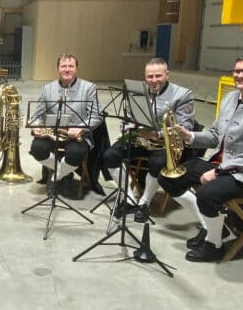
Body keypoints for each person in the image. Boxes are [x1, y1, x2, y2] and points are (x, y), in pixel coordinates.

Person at [159, 53, 243, 262]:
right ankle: (215, 228)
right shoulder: (231, 97)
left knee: (207, 194)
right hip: (221, 164)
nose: (240, 75)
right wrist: (190, 136)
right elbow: (215, 135)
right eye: (237, 71)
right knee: (169, 177)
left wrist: (220, 171)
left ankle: (214, 245)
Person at [101, 57, 196, 220]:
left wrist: (157, 134)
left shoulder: (183, 95)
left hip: (164, 144)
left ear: (167, 74)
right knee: (110, 156)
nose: (154, 81)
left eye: (158, 76)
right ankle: (129, 198)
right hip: (139, 139)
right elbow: (128, 116)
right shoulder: (137, 90)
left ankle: (144, 202)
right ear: (144, 76)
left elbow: (185, 126)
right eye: (149, 77)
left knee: (157, 163)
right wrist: (128, 127)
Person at [28, 54, 101, 197]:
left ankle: (55, 178)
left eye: (71, 66)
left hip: (77, 134)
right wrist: (36, 126)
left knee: (75, 153)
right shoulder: (47, 89)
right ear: (58, 69)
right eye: (63, 66)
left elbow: (96, 116)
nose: (67, 69)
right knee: (37, 149)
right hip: (52, 133)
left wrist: (80, 128)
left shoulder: (89, 88)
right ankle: (65, 174)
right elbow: (37, 116)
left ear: (76, 69)